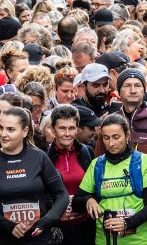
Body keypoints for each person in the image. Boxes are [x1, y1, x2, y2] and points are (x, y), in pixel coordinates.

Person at [0, 105, 69, 245]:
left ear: (24, 131)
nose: (3, 134)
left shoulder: (39, 157)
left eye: (10, 130)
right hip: (1, 239)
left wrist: (45, 222)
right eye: (1, 128)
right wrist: (9, 226)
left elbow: (62, 195)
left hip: (38, 239)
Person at [75, 113, 147, 245]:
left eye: (116, 137)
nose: (111, 143)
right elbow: (76, 201)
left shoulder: (144, 161)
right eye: (106, 138)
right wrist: (88, 199)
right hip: (105, 240)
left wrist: (126, 224)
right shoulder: (97, 164)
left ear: (127, 135)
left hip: (139, 240)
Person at [45, 104, 96, 242]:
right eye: (62, 128)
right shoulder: (43, 156)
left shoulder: (87, 152)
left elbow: (94, 185)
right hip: (57, 230)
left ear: (77, 129)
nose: (67, 133)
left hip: (85, 227)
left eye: (71, 128)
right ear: (53, 129)